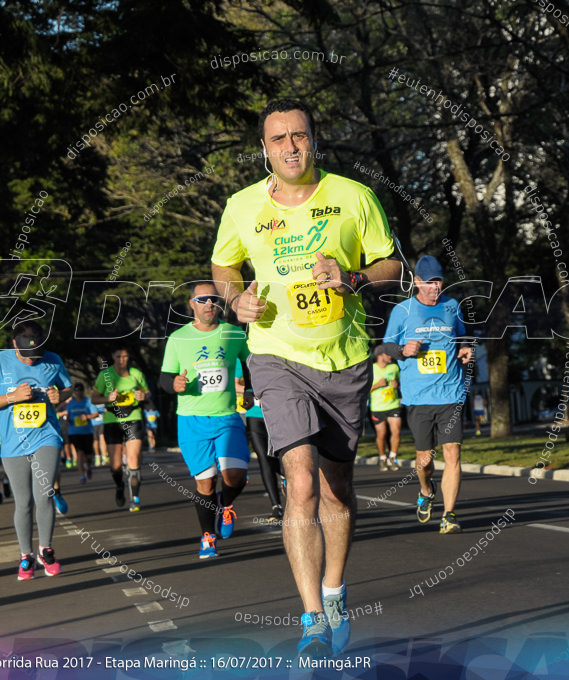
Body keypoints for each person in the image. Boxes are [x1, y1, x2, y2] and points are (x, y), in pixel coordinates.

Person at [211, 98, 400, 656]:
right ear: (263, 149)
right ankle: (313, 619)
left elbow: (391, 265)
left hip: (344, 357)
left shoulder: (353, 196)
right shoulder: (242, 206)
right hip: (275, 354)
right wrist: (232, 297)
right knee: (300, 482)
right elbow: (225, 265)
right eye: (278, 138)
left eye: (298, 135)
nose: (289, 146)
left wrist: (354, 275)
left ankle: (335, 589)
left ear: (314, 140)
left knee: (337, 492)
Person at [159, 282, 253, 558]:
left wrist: (249, 389)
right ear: (192, 304)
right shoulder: (178, 338)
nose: (209, 304)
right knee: (206, 484)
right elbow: (164, 378)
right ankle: (207, 536)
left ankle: (226, 504)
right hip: (191, 420)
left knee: (235, 477)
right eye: (203, 299)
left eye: (213, 299)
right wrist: (173, 384)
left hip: (226, 417)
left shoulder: (234, 334)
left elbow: (250, 364)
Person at [382, 255, 473, 534]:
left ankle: (449, 515)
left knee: (453, 454)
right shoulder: (402, 311)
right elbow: (386, 346)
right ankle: (425, 489)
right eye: (431, 282)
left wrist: (465, 348)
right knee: (424, 461)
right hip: (418, 397)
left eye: (440, 281)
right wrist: (403, 351)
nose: (436, 287)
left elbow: (462, 336)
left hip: (450, 392)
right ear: (417, 282)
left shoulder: (452, 306)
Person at [0, 320, 72, 580]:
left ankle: (46, 549)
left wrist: (59, 397)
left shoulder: (53, 359)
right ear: (14, 346)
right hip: (13, 442)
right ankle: (26, 556)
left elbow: (68, 388)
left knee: (44, 494)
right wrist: (12, 397)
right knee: (23, 501)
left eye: (36, 356)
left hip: (46, 436)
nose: (31, 361)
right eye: (26, 356)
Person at [92, 347, 150, 510]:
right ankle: (119, 486)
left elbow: (147, 392)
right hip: (113, 419)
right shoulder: (105, 375)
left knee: (133, 459)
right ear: (113, 356)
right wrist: (107, 398)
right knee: (116, 466)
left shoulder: (136, 374)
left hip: (133, 416)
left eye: (125, 356)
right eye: (118, 356)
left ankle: (135, 498)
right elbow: (94, 398)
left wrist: (143, 396)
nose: (122, 360)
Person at [236, 359, 283, 522]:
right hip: (254, 415)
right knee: (264, 459)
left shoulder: (274, 354)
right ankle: (276, 506)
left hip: (275, 413)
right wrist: (250, 390)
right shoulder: (243, 359)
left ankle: (286, 476)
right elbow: (235, 384)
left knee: (276, 457)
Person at [369, 348, 402, 472]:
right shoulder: (371, 368)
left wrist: (396, 384)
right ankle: (383, 458)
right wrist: (377, 385)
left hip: (393, 404)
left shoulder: (394, 367)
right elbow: (365, 390)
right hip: (378, 407)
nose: (391, 357)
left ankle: (393, 457)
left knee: (396, 432)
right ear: (380, 355)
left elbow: (399, 381)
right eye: (389, 354)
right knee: (381, 434)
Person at [65, 384, 97, 483]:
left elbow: (96, 414)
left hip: (87, 431)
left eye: (80, 390)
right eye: (76, 390)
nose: (78, 392)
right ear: (74, 392)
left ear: (83, 391)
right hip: (74, 432)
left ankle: (88, 467)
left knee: (88, 456)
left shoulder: (88, 401)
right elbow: (68, 415)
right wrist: (68, 421)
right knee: (80, 452)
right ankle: (82, 475)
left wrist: (87, 417)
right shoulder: (70, 403)